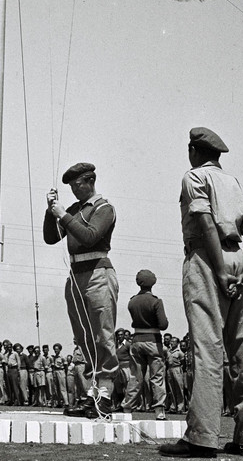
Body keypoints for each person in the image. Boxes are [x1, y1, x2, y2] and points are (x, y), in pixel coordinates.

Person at [160, 128, 243, 458]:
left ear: (193, 150)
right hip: (239, 262)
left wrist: (218, 270)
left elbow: (204, 223)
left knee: (208, 349)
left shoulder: (194, 178)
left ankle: (202, 438)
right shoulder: (238, 185)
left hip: (207, 258)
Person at [43, 162, 119, 418]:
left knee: (103, 335)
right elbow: (51, 237)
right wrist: (50, 210)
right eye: (71, 187)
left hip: (98, 272)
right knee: (84, 337)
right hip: (76, 275)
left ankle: (105, 395)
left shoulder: (103, 208)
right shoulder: (74, 209)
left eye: (77, 185)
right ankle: (92, 393)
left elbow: (89, 236)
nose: (75, 191)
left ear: (90, 181)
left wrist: (63, 214)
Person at [127, 269, 169, 419]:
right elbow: (163, 325)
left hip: (136, 340)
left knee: (135, 376)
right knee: (156, 377)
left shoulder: (132, 301)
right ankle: (159, 411)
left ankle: (127, 408)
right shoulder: (156, 301)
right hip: (153, 341)